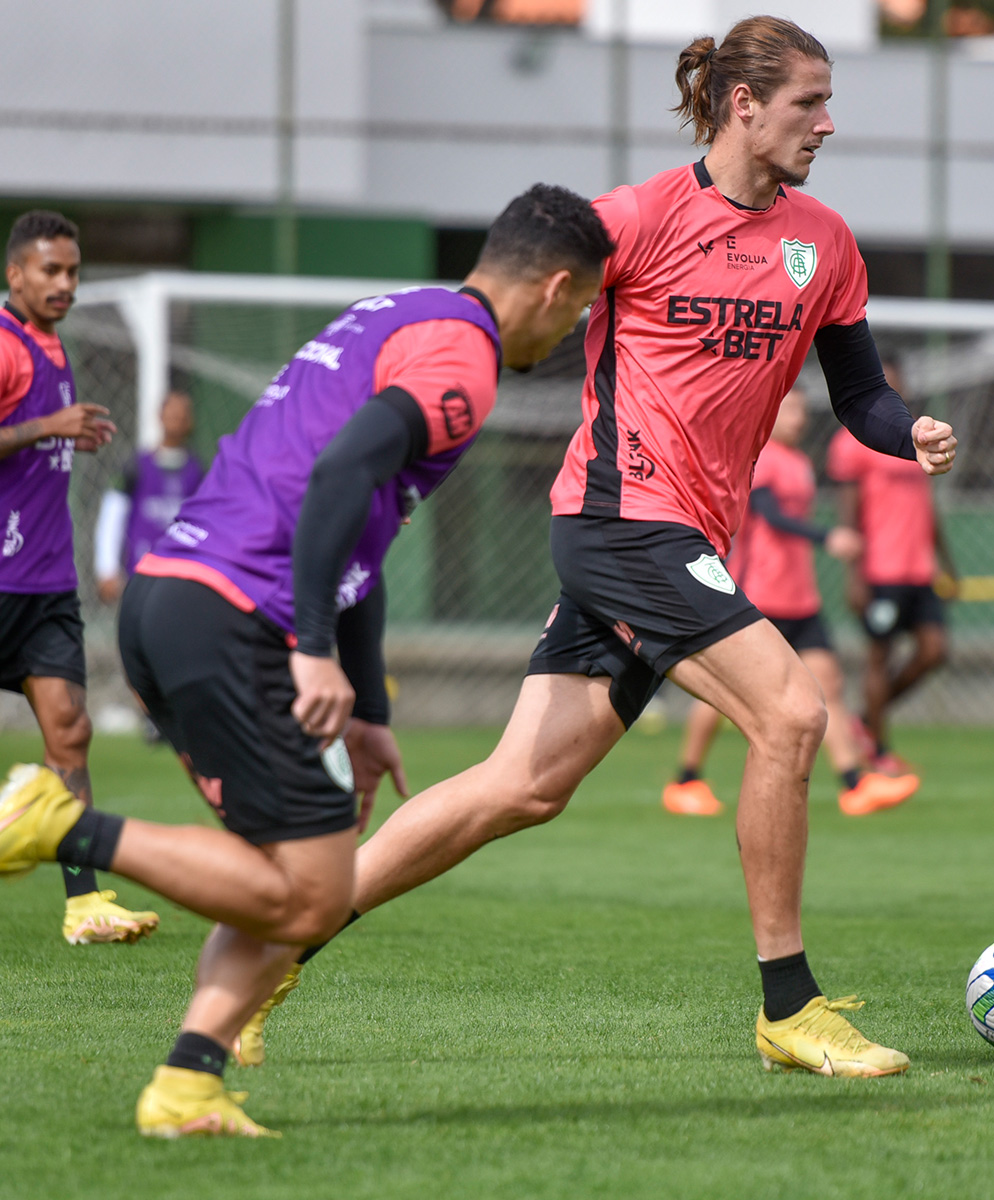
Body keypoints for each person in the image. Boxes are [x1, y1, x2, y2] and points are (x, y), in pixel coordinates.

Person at [235, 15, 958, 1082]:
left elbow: (857, 393)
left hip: (677, 537)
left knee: (517, 790)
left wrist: (910, 433)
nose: (827, 121)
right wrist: (451, 357)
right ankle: (788, 1006)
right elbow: (522, 283)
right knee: (793, 711)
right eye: (808, 102)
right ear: (742, 104)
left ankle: (279, 941)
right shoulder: (638, 217)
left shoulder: (827, 243)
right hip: (621, 521)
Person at [0, 183, 614, 1138]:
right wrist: (317, 654)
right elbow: (340, 476)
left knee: (281, 875)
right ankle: (62, 825)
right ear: (557, 288)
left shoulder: (400, 312)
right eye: (581, 312)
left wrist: (366, 706)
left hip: (176, 602)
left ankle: (188, 1084)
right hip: (235, 614)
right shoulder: (467, 360)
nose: (572, 333)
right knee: (315, 891)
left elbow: (364, 534)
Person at [0, 210, 159, 945]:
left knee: (70, 730)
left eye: (72, 270)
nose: (65, 283)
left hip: (43, 586)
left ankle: (83, 902)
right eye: (50, 271)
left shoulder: (52, 346)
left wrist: (65, 432)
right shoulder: (5, 346)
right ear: (16, 275)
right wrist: (45, 427)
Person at [661, 385, 920, 819]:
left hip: (801, 600)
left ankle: (855, 784)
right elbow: (771, 517)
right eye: (791, 409)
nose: (799, 418)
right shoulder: (761, 458)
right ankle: (686, 779)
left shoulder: (800, 463)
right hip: (761, 596)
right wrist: (828, 537)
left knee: (829, 688)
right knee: (722, 694)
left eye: (802, 409)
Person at [827, 357, 959, 775]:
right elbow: (848, 517)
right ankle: (879, 753)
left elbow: (927, 506)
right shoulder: (850, 443)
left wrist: (946, 561)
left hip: (919, 570)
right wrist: (855, 575)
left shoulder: (915, 437)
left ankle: (866, 720)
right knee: (878, 659)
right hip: (880, 571)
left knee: (934, 651)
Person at [94, 390, 205, 607]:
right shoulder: (135, 466)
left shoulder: (198, 472)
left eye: (183, 415)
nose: (177, 420)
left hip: (182, 578)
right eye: (172, 413)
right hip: (140, 575)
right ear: (160, 416)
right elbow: (112, 518)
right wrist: (106, 569)